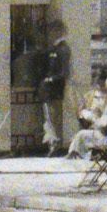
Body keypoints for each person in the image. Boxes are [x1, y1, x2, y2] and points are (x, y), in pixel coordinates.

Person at [67, 70, 107, 159]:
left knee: (81, 134)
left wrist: (92, 117)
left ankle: (75, 156)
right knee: (82, 134)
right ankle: (76, 155)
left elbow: (104, 124)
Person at [39, 19, 71, 157]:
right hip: (52, 91)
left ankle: (55, 143)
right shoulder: (55, 49)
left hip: (53, 90)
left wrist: (49, 80)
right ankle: (53, 142)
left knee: (52, 118)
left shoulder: (62, 49)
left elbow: (64, 72)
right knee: (50, 118)